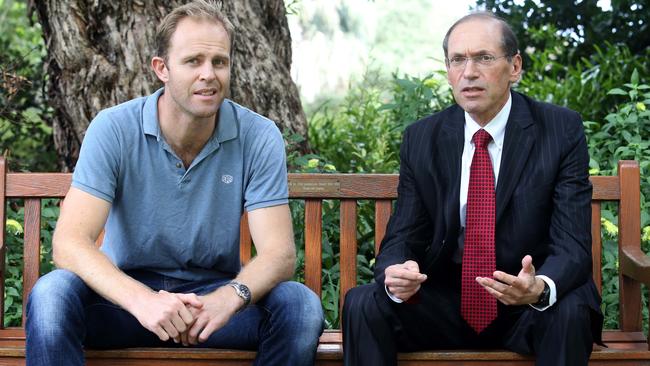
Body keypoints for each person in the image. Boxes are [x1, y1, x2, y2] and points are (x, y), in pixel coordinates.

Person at [25, 1, 323, 365]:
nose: (209, 74)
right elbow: (69, 243)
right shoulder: (114, 128)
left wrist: (228, 298)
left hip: (211, 306)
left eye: (219, 62)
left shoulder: (258, 136)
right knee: (52, 294)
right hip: (125, 301)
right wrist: (144, 301)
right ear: (161, 69)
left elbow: (279, 254)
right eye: (193, 61)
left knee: (300, 306)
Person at [343, 12, 602, 366]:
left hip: (528, 302)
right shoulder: (423, 138)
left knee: (570, 308)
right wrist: (395, 273)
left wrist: (540, 287)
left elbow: (572, 244)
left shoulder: (558, 130)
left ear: (514, 67)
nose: (469, 72)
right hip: (449, 301)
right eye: (458, 60)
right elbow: (403, 236)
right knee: (364, 302)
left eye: (483, 58)